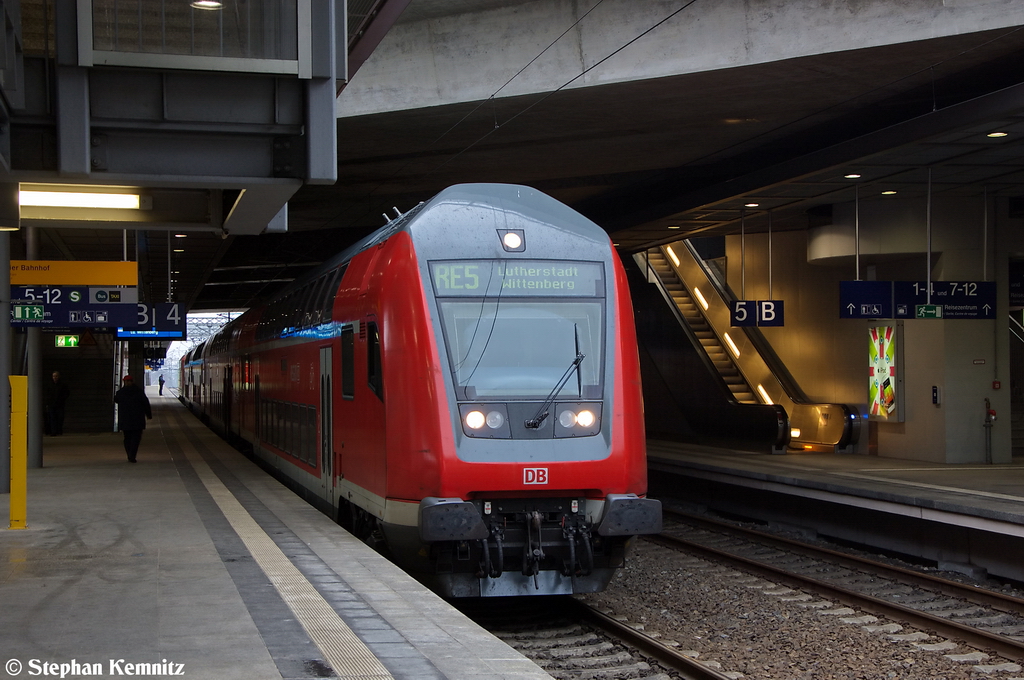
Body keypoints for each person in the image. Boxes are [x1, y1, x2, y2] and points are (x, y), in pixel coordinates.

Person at [114, 375, 152, 463]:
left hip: (125, 419)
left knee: (127, 438)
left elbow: (116, 400)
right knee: (136, 438)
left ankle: (129, 454)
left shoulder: (121, 392)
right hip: (137, 420)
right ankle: (132, 455)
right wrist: (148, 415)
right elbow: (145, 403)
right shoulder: (139, 391)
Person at [44, 371, 71, 436]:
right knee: (52, 418)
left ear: (59, 377)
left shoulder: (63, 385)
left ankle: (58, 430)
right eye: (54, 376)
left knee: (60, 418)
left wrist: (62, 399)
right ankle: (54, 431)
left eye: (56, 376)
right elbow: (47, 394)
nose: (55, 378)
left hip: (59, 404)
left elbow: (67, 393)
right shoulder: (50, 385)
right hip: (52, 404)